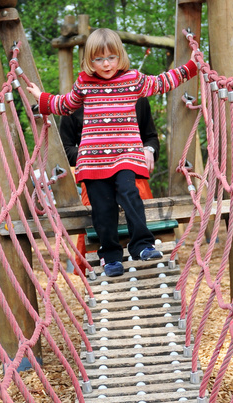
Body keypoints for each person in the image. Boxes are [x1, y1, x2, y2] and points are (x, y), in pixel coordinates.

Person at [27, 28, 196, 278]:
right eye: (98, 59)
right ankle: (110, 255)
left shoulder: (132, 79)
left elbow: (162, 82)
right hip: (94, 160)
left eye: (111, 57)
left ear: (120, 56)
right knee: (102, 208)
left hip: (125, 155)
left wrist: (192, 66)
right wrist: (41, 98)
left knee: (130, 193)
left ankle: (142, 245)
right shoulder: (84, 83)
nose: (106, 64)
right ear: (89, 61)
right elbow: (65, 105)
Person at [60, 98, 160, 272]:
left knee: (144, 218)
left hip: (132, 176)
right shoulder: (75, 101)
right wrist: (98, 153)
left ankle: (143, 248)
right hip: (94, 175)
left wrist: (148, 149)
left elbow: (150, 137)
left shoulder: (136, 97)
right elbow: (65, 150)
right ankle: (109, 259)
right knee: (98, 219)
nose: (107, 68)